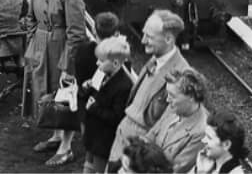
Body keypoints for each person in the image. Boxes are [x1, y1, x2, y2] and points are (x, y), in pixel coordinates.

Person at [26, 0, 88, 167]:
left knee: (63, 95)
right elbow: (31, 17)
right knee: (46, 92)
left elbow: (77, 34)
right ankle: (55, 136)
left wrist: (68, 66)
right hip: (41, 45)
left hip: (61, 47)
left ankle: (66, 148)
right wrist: (32, 43)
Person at [108, 10, 190, 168]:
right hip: (122, 140)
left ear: (168, 39)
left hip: (139, 153)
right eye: (144, 34)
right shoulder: (155, 59)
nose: (143, 40)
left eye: (150, 37)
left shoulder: (180, 75)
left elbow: (169, 125)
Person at [80, 36, 135, 174]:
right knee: (88, 164)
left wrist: (94, 108)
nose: (97, 63)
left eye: (101, 61)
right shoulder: (101, 74)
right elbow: (92, 93)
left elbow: (116, 117)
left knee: (99, 168)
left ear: (115, 63)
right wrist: (87, 88)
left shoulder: (123, 86)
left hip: (104, 140)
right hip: (93, 136)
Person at [145, 69, 209, 173]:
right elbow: (151, 135)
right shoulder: (174, 107)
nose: (167, 100)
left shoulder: (201, 132)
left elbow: (176, 170)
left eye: (172, 96)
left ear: (191, 97)